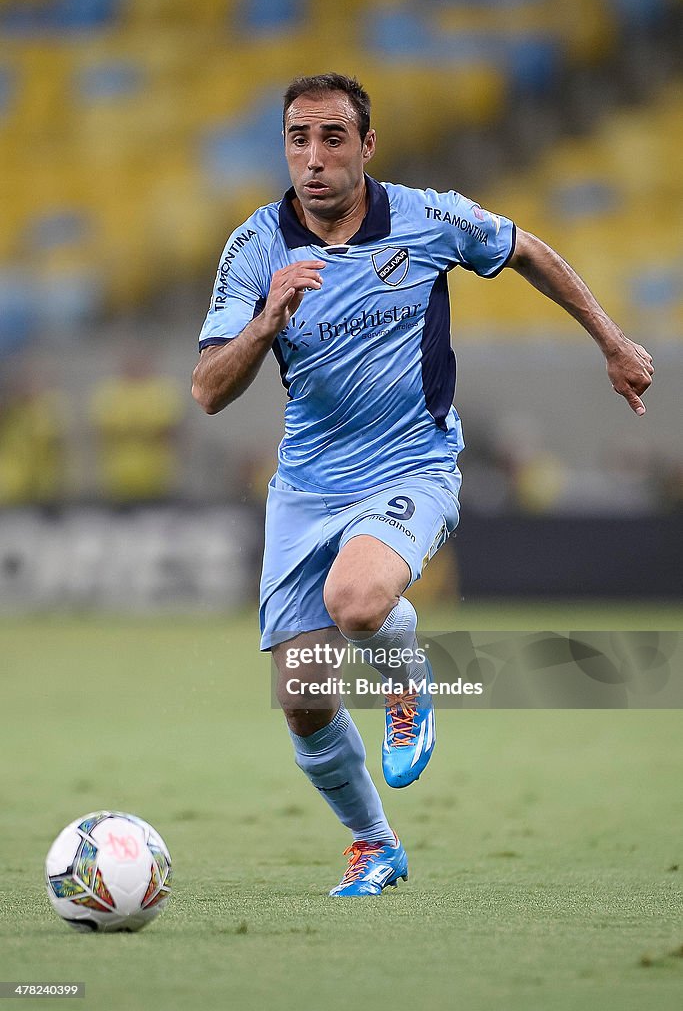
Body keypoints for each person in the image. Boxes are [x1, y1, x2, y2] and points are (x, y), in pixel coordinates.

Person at [192, 73, 654, 897]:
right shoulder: (256, 246)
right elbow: (207, 391)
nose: (314, 157)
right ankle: (375, 846)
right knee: (300, 696)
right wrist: (266, 320)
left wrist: (612, 342)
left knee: (358, 601)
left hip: (414, 464)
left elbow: (526, 251)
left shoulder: (429, 217)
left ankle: (408, 689)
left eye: (332, 137)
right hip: (305, 486)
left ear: (366, 146)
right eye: (298, 138)